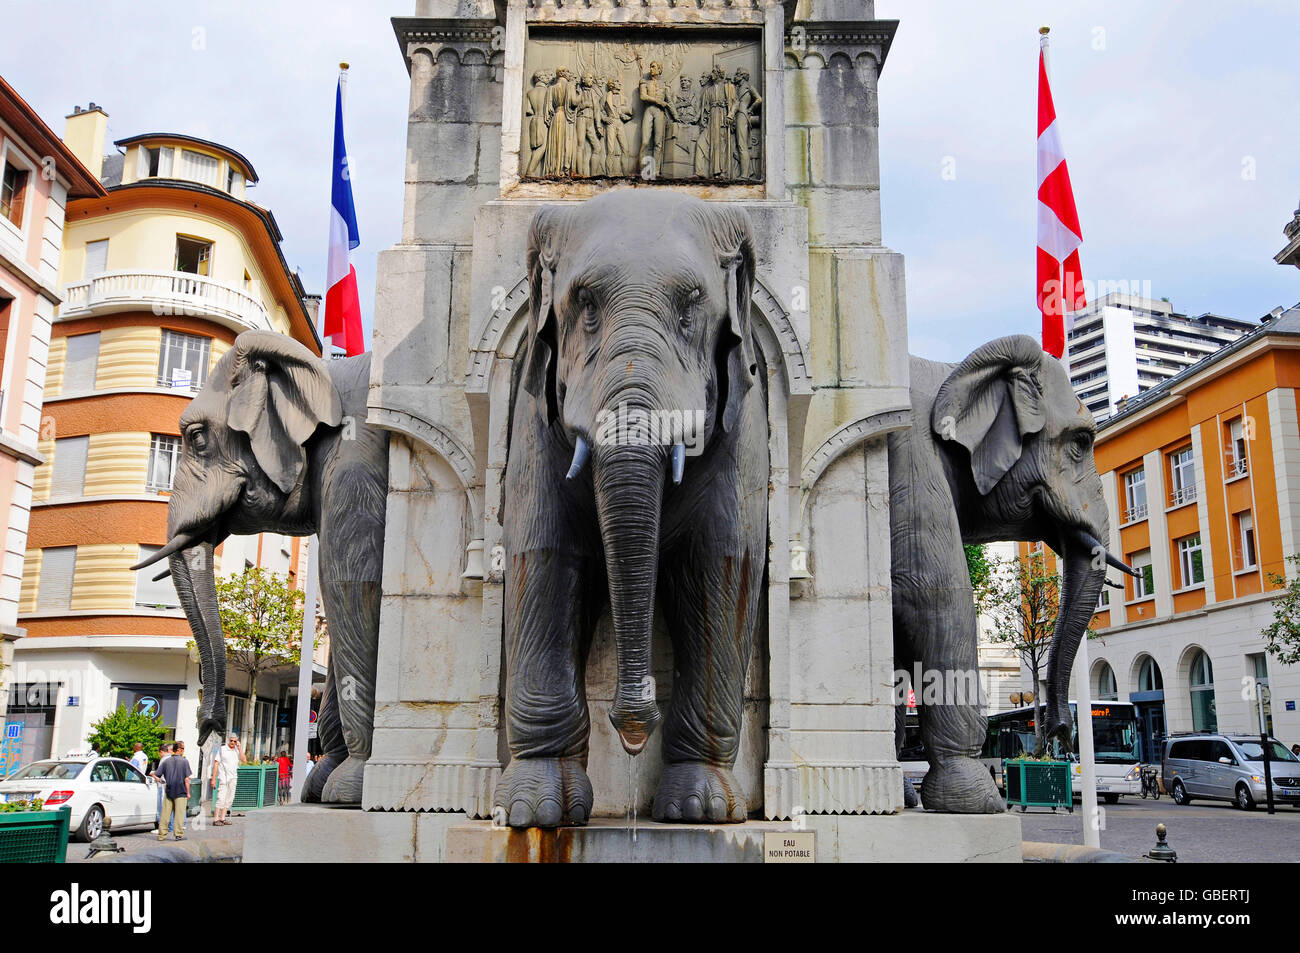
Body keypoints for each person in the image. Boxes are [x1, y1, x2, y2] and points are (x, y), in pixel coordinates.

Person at [157, 740, 192, 841]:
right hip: (181, 790)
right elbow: (186, 779)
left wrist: (160, 781)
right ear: (180, 750)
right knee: (179, 814)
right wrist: (188, 792)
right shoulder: (184, 761)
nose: (183, 751)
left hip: (169, 789)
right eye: (183, 749)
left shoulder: (166, 761)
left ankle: (161, 835)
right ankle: (178, 834)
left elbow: (157, 774)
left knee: (165, 814)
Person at [211, 734, 244, 826]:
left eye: (235, 741)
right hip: (223, 777)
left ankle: (222, 818)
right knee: (221, 797)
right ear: (228, 740)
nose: (233, 742)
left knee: (229, 798)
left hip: (233, 777)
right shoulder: (222, 749)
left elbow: (244, 760)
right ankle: (216, 819)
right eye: (231, 740)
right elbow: (216, 763)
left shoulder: (237, 750)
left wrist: (240, 747)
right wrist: (213, 778)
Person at [150, 743, 173, 836]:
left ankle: (162, 827)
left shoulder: (164, 760)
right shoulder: (172, 758)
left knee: (162, 807)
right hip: (172, 785)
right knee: (170, 807)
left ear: (162, 752)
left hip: (163, 785)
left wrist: (154, 775)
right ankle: (171, 826)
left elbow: (161, 775)